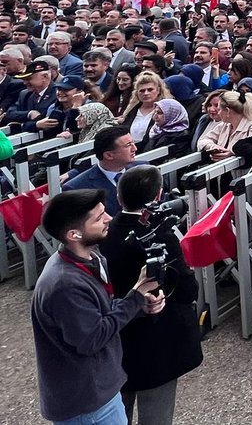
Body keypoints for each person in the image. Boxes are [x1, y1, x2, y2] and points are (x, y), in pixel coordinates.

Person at [32, 188, 165, 425]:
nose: (109, 219)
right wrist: (135, 296)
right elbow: (91, 338)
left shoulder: (92, 257)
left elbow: (99, 310)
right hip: (88, 405)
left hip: (98, 393)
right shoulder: (65, 284)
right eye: (99, 217)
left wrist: (139, 305)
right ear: (74, 234)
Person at [102, 165, 203, 425]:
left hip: (115, 340)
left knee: (116, 413)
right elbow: (186, 289)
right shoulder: (159, 237)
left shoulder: (103, 232)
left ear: (119, 196)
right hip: (157, 342)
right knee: (155, 416)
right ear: (158, 196)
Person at [63, 126, 145, 216]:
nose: (135, 149)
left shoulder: (144, 169)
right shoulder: (76, 187)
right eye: (128, 145)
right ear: (109, 155)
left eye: (133, 143)